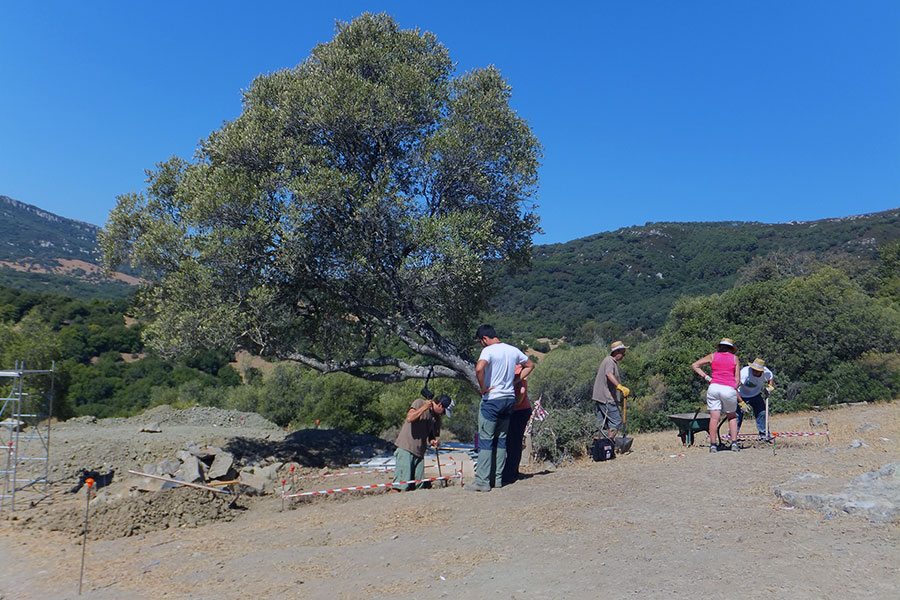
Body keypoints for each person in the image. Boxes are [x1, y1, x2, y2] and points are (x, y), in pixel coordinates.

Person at [469, 325, 534, 492]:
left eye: (480, 342)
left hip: (492, 400)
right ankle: (498, 479)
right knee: (502, 440)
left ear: (484, 339)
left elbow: (479, 368)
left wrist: (483, 387)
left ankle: (482, 481)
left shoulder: (488, 351)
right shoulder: (513, 350)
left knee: (486, 440)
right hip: (509, 400)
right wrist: (516, 381)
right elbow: (530, 365)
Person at [391, 394, 452, 491]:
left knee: (418, 486)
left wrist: (433, 440)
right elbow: (409, 418)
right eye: (444, 411)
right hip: (406, 448)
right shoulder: (419, 403)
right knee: (401, 485)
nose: (443, 414)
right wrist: (424, 408)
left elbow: (431, 435)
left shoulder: (436, 418)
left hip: (420, 453)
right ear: (440, 405)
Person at [691, 338, 742, 452]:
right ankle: (734, 443)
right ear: (731, 349)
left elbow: (695, 365)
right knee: (732, 416)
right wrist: (736, 390)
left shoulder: (713, 356)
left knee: (714, 418)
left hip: (714, 387)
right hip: (728, 388)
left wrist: (707, 377)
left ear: (720, 347)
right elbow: (737, 379)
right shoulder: (735, 358)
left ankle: (713, 445)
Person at [592, 341, 630, 441]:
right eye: (623, 352)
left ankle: (596, 446)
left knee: (600, 424)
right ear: (616, 352)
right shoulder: (610, 361)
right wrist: (620, 386)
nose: (624, 355)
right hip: (607, 398)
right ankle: (609, 443)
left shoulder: (608, 360)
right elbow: (609, 374)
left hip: (600, 397)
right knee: (616, 421)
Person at [501, 363, 532, 485]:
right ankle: (511, 472)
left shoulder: (515, 371)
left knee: (512, 442)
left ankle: (510, 474)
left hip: (518, 411)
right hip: (522, 410)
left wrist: (516, 404)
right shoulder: (518, 369)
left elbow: (522, 391)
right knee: (515, 442)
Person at [737, 358, 775, 439]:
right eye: (753, 370)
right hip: (741, 395)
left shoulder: (766, 372)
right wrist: (741, 403)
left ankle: (764, 434)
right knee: (737, 415)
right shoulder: (744, 372)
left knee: (762, 413)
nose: (754, 372)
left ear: (761, 371)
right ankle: (732, 436)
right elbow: (734, 388)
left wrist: (770, 386)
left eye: (757, 371)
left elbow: (771, 377)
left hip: (756, 395)